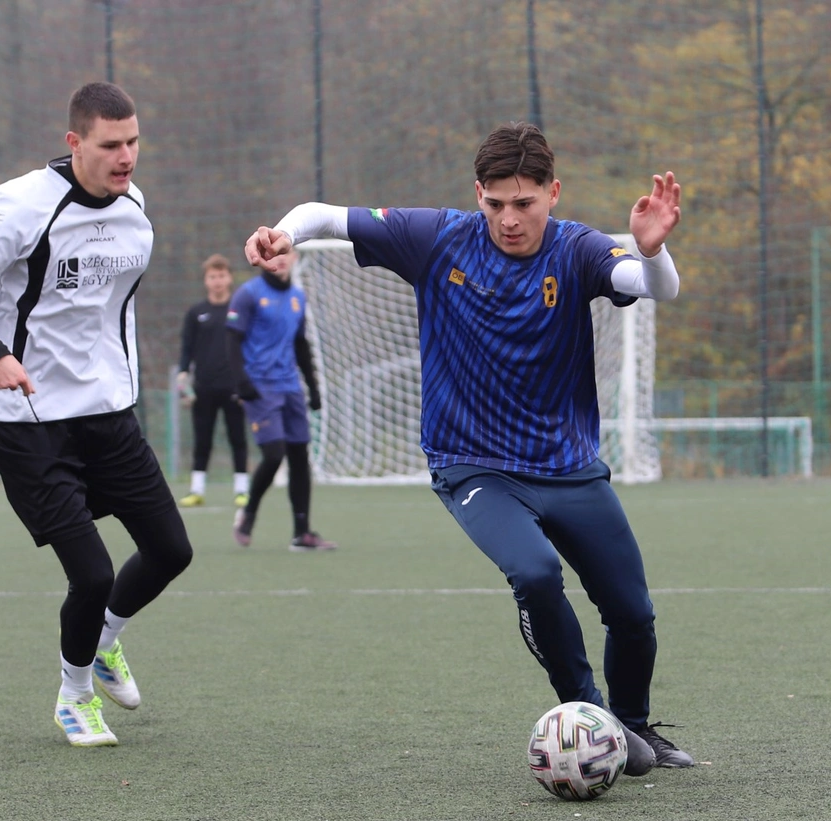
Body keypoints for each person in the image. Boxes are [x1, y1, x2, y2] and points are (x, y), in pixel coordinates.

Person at [244, 122, 694, 774]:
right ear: (477, 194)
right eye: (495, 203)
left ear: (553, 194)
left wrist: (652, 251)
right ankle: (591, 720)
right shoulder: (438, 237)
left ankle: (632, 721)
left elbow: (656, 286)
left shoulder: (577, 249)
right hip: (474, 466)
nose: (509, 219)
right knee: (535, 573)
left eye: (525, 203)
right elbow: (322, 214)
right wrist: (284, 233)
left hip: (568, 466)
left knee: (633, 614)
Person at [0, 81, 193, 747]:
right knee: (92, 573)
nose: (126, 156)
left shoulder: (134, 206)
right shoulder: (19, 207)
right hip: (26, 420)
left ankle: (102, 642)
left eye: (133, 142)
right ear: (75, 143)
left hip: (107, 412)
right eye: (110, 145)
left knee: (170, 550)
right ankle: (74, 698)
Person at [226, 248, 336, 551]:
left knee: (300, 456)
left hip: (290, 388)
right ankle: (248, 512)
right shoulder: (248, 294)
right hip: (260, 388)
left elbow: (301, 346)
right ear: (263, 260)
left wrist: (313, 388)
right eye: (274, 254)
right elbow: (232, 341)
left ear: (295, 258)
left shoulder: (298, 297)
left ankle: (302, 533)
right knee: (274, 454)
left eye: (286, 253)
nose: (281, 259)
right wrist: (242, 383)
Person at [175, 253, 250, 508]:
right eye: (212, 276)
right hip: (203, 387)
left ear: (229, 278)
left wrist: (247, 382)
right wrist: (183, 376)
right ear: (206, 280)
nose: (217, 281)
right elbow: (187, 348)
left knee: (237, 438)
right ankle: (197, 490)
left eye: (221, 275)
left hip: (234, 386)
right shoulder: (196, 313)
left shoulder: (238, 310)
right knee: (202, 440)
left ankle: (242, 490)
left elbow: (248, 346)